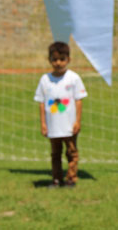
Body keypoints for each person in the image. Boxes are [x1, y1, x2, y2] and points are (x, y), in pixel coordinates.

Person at [34, 41, 87, 188]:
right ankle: (56, 179)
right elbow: (41, 102)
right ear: (49, 60)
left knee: (71, 152)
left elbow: (78, 101)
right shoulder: (45, 80)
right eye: (55, 59)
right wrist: (43, 124)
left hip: (69, 125)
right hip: (53, 126)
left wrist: (77, 121)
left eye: (62, 59)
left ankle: (71, 178)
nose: (58, 63)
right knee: (55, 154)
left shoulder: (74, 78)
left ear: (68, 59)